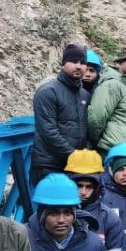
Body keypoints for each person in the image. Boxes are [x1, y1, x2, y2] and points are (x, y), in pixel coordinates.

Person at [30, 43, 90, 185]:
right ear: (63, 64)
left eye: (82, 63)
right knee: (50, 206)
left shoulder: (84, 95)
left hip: (73, 166)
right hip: (49, 164)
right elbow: (48, 132)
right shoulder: (48, 91)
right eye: (73, 61)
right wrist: (74, 156)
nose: (79, 66)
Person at [64, 149, 124, 251]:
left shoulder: (110, 219)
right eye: (79, 186)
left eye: (89, 187)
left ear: (97, 187)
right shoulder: (54, 216)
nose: (83, 192)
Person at [88, 48, 126, 153]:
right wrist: (101, 145)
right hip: (112, 152)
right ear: (119, 63)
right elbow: (96, 119)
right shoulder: (112, 85)